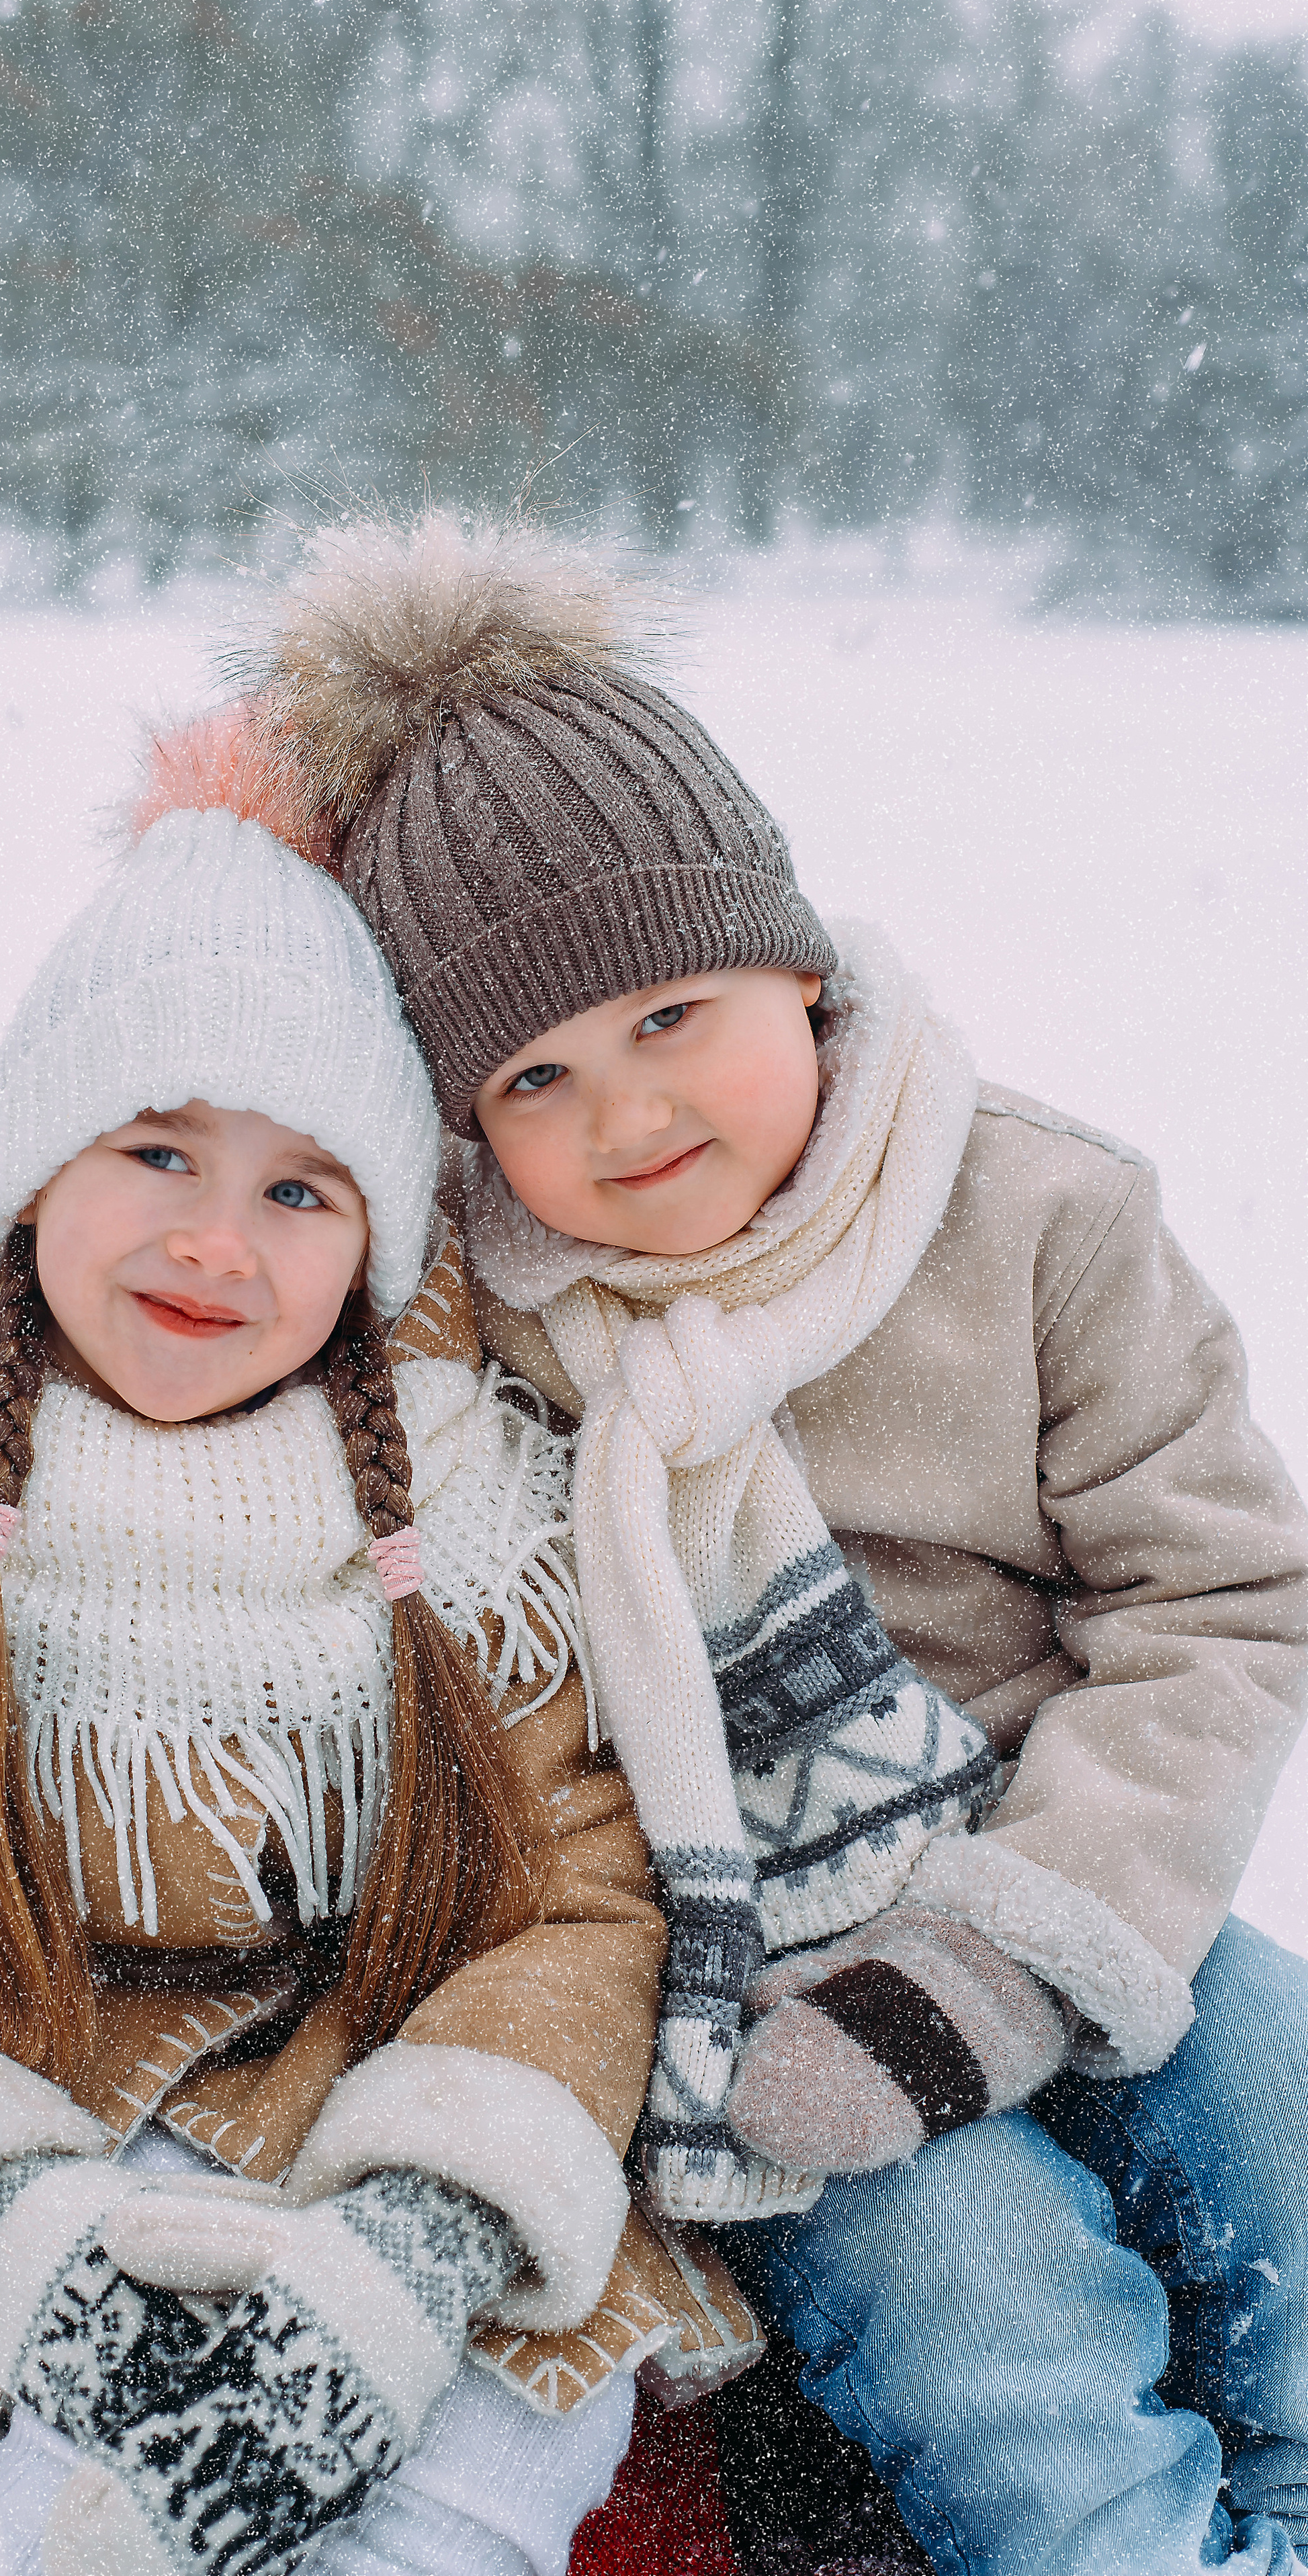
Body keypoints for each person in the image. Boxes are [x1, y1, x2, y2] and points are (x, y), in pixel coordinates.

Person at [232, 510, 1308, 2575]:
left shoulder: (1034, 1217)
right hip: (757, 1980)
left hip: (1071, 1873)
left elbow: (1217, 1599)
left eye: (671, 1013)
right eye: (536, 1075)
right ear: (464, 1129)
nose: (627, 1116)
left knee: (1268, 2093)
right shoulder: (479, 1320)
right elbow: (137, 1271)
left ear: (797, 965)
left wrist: (1015, 1945)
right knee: (967, 2275)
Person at [0, 712, 761, 2576]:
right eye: (155, 1148)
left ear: (377, 1242)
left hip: (363, 2128)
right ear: (30, 1175)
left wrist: (419, 2241)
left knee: (498, 2438)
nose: (214, 1242)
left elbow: (576, 1896)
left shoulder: (476, 1518)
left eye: (298, 1189)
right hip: (12, 2120)